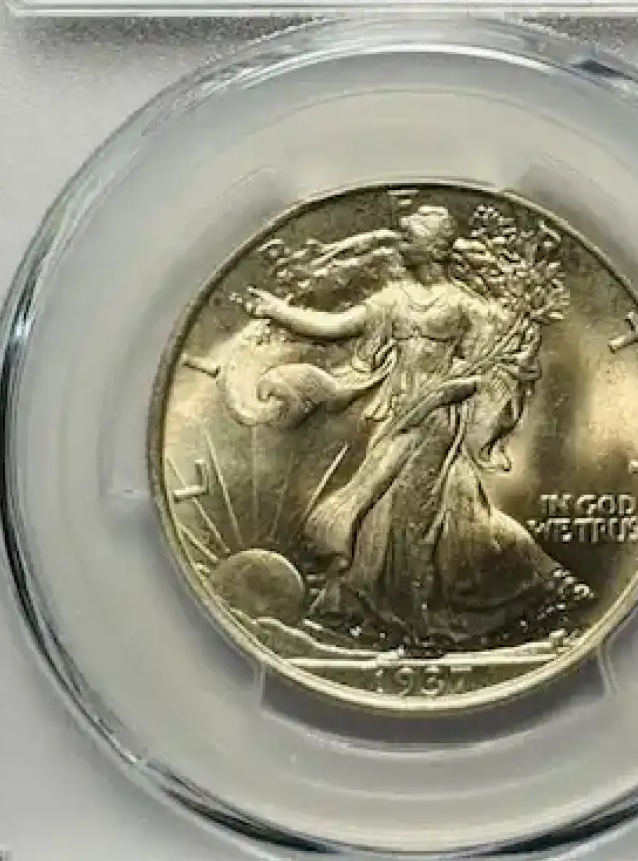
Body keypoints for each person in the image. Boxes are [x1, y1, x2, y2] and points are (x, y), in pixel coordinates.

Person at [241, 204, 587, 650]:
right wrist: (276, 310)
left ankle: (425, 620)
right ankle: (387, 614)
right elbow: (333, 326)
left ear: (433, 247)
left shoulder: (465, 307)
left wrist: (449, 391)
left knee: (414, 517)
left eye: (408, 237)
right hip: (398, 418)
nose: (400, 243)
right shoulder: (392, 300)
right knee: (382, 514)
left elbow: (492, 370)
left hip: (437, 423)